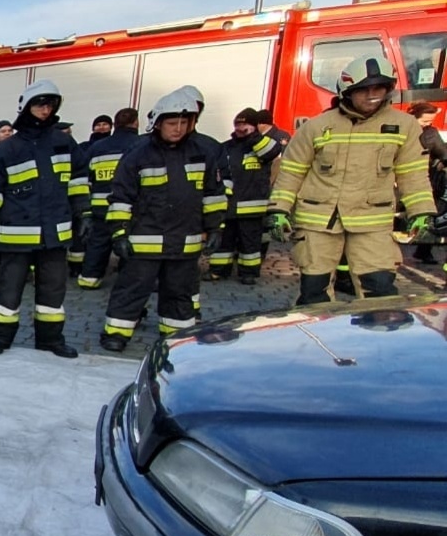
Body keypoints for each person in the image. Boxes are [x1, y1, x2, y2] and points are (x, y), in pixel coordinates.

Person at [269, 57, 433, 304]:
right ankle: (323, 339)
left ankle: (377, 341)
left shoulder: (404, 126)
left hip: (372, 223)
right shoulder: (317, 127)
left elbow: (413, 174)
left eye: (378, 88)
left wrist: (421, 211)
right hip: (318, 222)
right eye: (363, 90)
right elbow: (291, 171)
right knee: (315, 293)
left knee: (379, 292)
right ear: (346, 92)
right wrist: (279, 208)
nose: (372, 95)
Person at [98, 91, 228, 352]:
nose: (178, 129)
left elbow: (213, 194)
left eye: (184, 123)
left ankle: (176, 338)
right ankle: (116, 333)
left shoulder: (203, 153)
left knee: (179, 293)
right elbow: (121, 196)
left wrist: (215, 228)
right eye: (172, 123)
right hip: (144, 241)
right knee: (131, 290)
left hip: (184, 242)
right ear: (157, 123)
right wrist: (119, 233)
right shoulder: (138, 154)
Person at [0, 80, 88, 358]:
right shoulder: (8, 149)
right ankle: (0, 339)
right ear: (26, 107)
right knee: (9, 292)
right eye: (40, 104)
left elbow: (78, 181)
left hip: (54, 232)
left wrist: (84, 213)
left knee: (53, 293)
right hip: (17, 234)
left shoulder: (64, 142)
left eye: (50, 104)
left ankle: (51, 340)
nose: (45, 109)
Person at [77, 107, 142, 289]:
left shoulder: (97, 147)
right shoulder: (142, 145)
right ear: (135, 122)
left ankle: (89, 278)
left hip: (100, 206)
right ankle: (128, 280)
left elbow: (86, 178)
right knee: (131, 242)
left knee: (98, 243)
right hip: (130, 208)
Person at [210, 108, 274, 284]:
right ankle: (218, 271)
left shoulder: (262, 145)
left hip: (251, 207)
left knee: (250, 244)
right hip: (229, 204)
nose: (240, 128)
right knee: (224, 242)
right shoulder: (226, 147)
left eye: (245, 124)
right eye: (238, 124)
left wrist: (253, 137)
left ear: (254, 126)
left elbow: (271, 152)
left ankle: (249, 273)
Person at [409, 102, 447, 264]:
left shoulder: (430, 133)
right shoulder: (405, 130)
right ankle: (423, 248)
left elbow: (442, 151)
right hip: (411, 177)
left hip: (425, 176)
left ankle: (423, 249)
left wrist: (443, 161)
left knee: (433, 211)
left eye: (430, 121)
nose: (428, 124)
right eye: (424, 121)